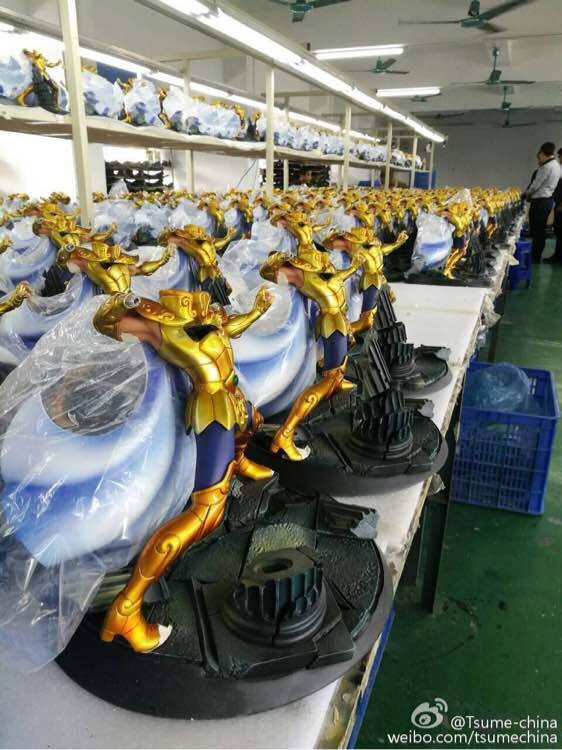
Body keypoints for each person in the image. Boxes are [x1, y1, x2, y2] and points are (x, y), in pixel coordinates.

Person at [522, 142, 561, 263]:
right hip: (548, 201)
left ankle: (535, 256)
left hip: (541, 201)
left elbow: (536, 185)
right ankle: (536, 254)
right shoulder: (557, 166)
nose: (539, 158)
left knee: (537, 230)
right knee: (540, 229)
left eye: (539, 156)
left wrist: (525, 194)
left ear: (543, 153)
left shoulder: (546, 167)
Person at [545, 147, 562, 265]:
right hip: (559, 206)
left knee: (561, 233)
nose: (559, 158)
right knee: (559, 232)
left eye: (560, 156)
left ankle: (558, 257)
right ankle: (557, 255)